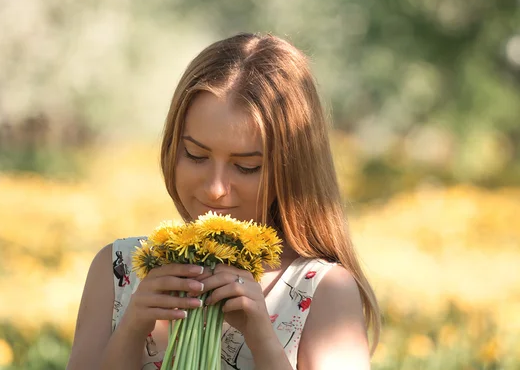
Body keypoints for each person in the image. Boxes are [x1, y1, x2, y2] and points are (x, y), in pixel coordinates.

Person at [66, 33, 380, 370]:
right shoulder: (117, 271)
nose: (215, 188)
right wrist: (131, 329)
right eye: (196, 155)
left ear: (291, 170)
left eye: (246, 166)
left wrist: (262, 339)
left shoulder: (321, 290)